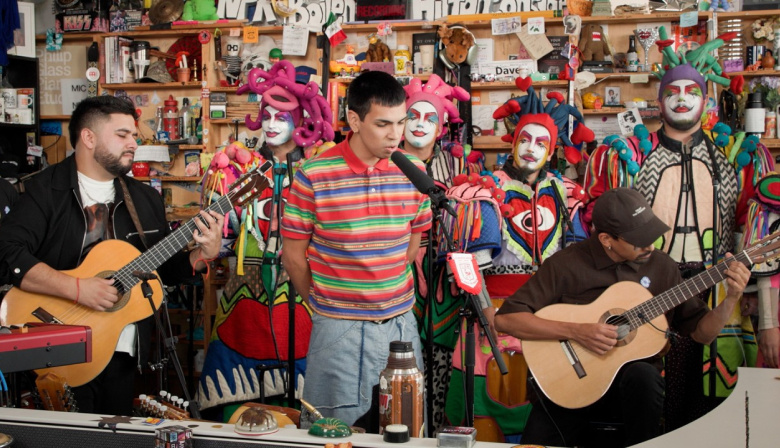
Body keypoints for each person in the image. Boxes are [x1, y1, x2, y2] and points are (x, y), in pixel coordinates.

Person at [583, 28, 774, 430]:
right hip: (648, 286)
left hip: (719, 285)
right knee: (650, 389)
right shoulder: (631, 156)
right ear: (659, 101)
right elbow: (604, 226)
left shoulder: (735, 157)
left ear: (706, 100)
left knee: (714, 393)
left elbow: (750, 226)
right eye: (672, 91)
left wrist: (755, 299)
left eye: (691, 91)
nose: (682, 98)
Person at [0, 96, 224, 415]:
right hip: (56, 346)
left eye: (134, 135)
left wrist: (203, 254)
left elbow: (163, 271)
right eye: (122, 135)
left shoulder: (145, 199)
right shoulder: (45, 191)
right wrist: (77, 288)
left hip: (120, 349)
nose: (133, 143)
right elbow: (7, 252)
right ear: (88, 137)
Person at [494, 188, 750, 447]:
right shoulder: (565, 264)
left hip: (634, 394)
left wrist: (731, 298)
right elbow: (506, 319)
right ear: (606, 239)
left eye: (652, 236)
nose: (650, 246)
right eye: (639, 241)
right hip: (567, 383)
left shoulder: (662, 266)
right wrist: (576, 331)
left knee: (644, 376)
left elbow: (703, 334)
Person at [444, 79, 593, 442]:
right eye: (525, 139)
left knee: (542, 405)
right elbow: (469, 262)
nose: (531, 149)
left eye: (541, 143)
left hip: (547, 315)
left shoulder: (565, 194)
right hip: (492, 312)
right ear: (513, 143)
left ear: (552, 150)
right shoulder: (486, 191)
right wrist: (486, 313)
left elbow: (577, 263)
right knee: (486, 407)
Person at [281, 70, 432, 427]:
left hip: (400, 325)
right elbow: (293, 257)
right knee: (332, 432)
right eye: (383, 124)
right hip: (339, 328)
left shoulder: (415, 172)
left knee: (407, 429)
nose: (396, 134)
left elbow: (413, 245)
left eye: (401, 122)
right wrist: (324, 305)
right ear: (354, 120)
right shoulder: (313, 174)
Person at [197, 60, 334, 413]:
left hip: (307, 300)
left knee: (310, 412)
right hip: (245, 304)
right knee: (239, 412)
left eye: (281, 117)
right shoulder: (238, 170)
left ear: (301, 120)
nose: (271, 124)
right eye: (267, 115)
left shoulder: (321, 171)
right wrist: (212, 247)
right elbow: (224, 240)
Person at [401, 74, 474, 433]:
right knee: (400, 362)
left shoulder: (458, 168)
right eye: (412, 115)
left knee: (441, 363)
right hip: (397, 276)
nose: (420, 124)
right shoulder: (385, 164)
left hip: (444, 283)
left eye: (430, 118)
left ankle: (434, 433)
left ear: (442, 127)